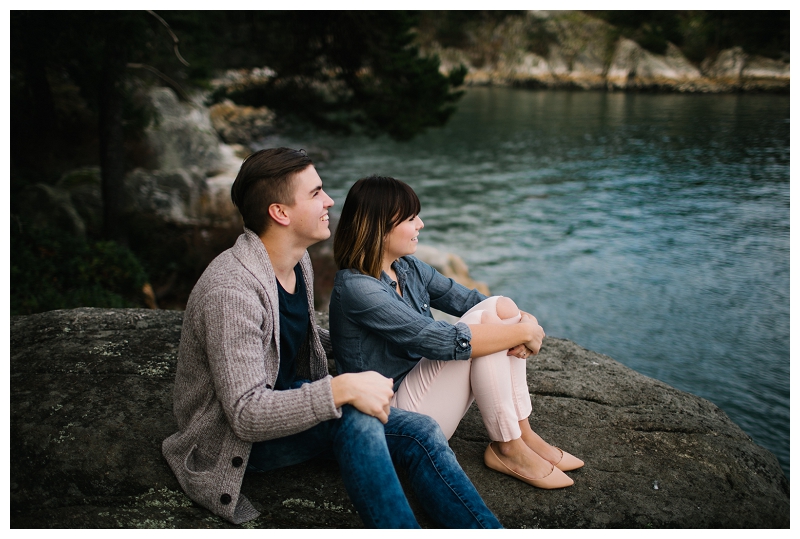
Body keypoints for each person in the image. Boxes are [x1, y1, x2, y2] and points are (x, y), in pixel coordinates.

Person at [162, 149, 503, 528]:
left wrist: (351, 345)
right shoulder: (232, 292)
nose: (329, 201)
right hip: (236, 444)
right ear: (281, 213)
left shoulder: (296, 262)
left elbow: (293, 336)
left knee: (421, 430)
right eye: (315, 193)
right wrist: (340, 389)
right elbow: (246, 416)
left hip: (293, 401)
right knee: (357, 414)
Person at [330, 175, 584, 490]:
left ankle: (523, 434)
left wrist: (525, 322)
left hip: (423, 396)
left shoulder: (408, 268)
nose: (420, 224)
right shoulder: (357, 288)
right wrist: (521, 331)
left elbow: (475, 301)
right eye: (411, 218)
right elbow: (440, 341)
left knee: (497, 310)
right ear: (379, 227)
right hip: (390, 420)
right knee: (488, 325)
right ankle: (508, 447)